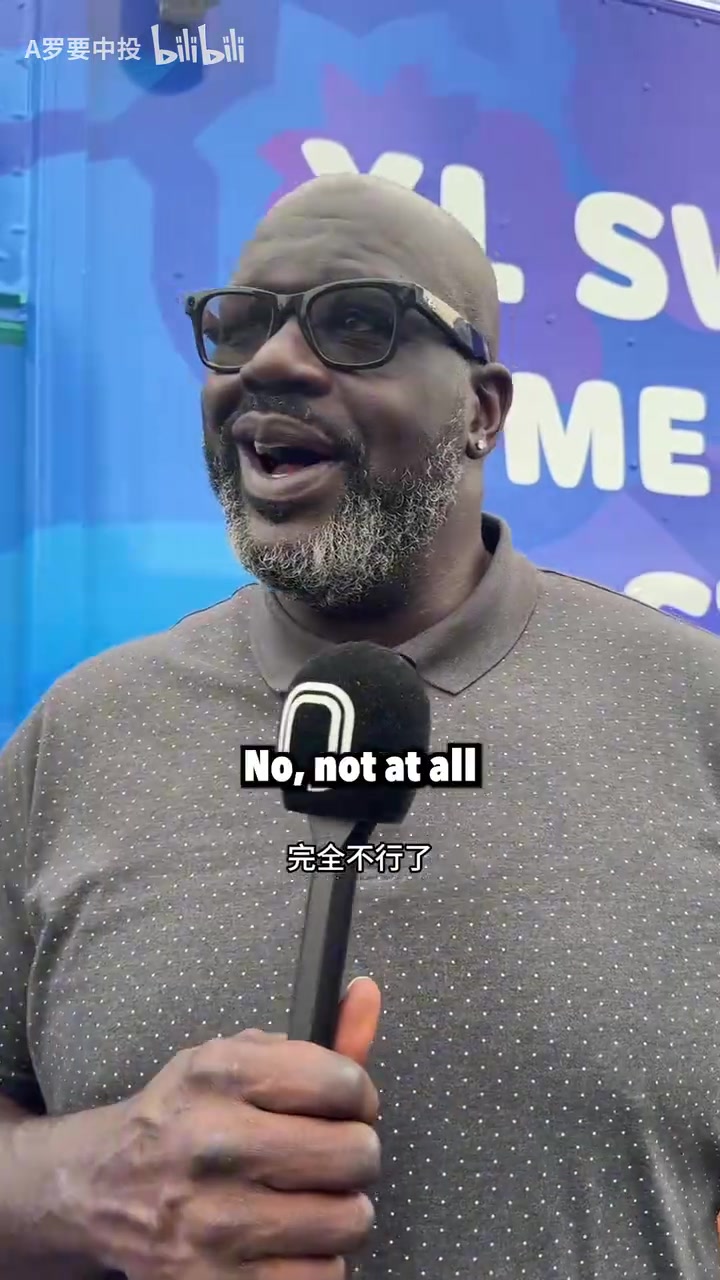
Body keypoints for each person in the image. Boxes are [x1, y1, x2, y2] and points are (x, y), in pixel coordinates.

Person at [0, 172, 719, 1280]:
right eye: (239, 325)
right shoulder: (79, 734)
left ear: (482, 411)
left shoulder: (691, 710)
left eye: (355, 323)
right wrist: (86, 1184)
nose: (272, 363)